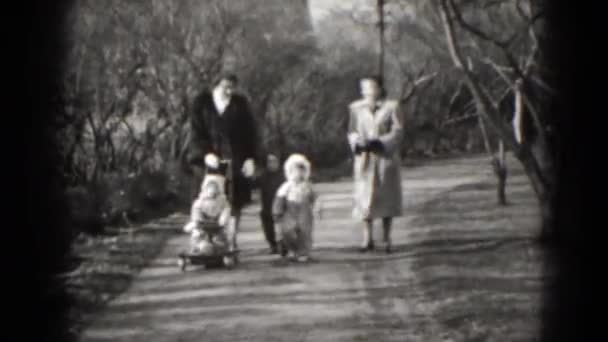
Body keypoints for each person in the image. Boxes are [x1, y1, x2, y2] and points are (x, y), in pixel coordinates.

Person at [185, 73, 258, 252]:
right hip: (208, 162)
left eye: (232, 87)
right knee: (206, 200)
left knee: (234, 201)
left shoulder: (240, 104)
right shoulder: (201, 104)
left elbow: (251, 133)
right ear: (215, 86)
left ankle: (230, 240)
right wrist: (205, 153)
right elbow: (196, 133)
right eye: (225, 86)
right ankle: (203, 242)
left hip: (234, 158)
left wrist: (250, 158)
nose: (228, 90)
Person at [347, 75, 404, 254]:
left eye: (371, 87)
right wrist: (357, 142)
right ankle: (367, 238)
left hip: (385, 158)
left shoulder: (392, 107)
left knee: (387, 197)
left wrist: (381, 142)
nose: (367, 91)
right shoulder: (355, 108)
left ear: (379, 88)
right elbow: (351, 130)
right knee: (365, 199)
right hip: (364, 158)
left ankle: (387, 238)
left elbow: (398, 130)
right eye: (363, 87)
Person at [272, 153, 317, 262]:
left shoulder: (308, 185)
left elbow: (314, 197)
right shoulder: (286, 186)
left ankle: (303, 252)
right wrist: (277, 211)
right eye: (295, 171)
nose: (298, 174)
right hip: (290, 210)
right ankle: (292, 249)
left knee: (304, 231)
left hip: (304, 210)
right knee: (288, 230)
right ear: (290, 172)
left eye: (301, 171)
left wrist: (317, 207)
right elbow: (279, 198)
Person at [255, 153, 284, 254]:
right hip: (266, 207)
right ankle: (273, 245)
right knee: (268, 229)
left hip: (281, 208)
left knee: (282, 228)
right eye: (269, 161)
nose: (272, 164)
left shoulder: (283, 176)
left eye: (274, 161)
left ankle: (283, 246)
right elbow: (253, 184)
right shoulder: (263, 176)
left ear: (278, 162)